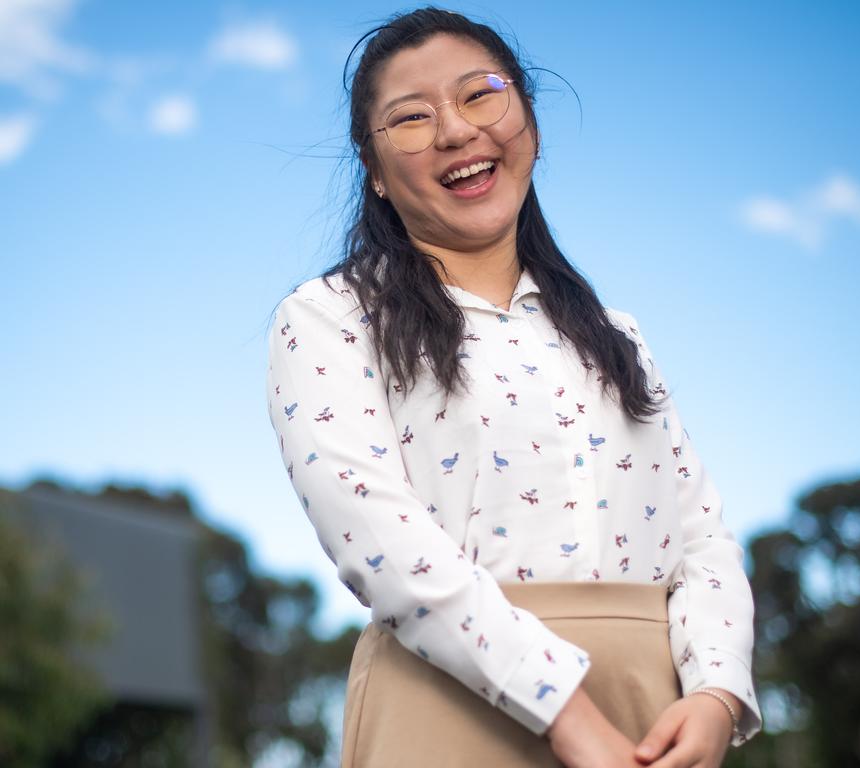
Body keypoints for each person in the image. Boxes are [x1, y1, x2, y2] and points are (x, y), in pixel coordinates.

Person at [265, 6, 762, 766]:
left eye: (480, 94)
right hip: (448, 707)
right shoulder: (329, 318)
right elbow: (382, 544)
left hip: (653, 717)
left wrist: (717, 695)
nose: (457, 131)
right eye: (410, 118)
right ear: (373, 169)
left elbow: (700, 536)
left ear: (527, 116)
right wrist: (565, 710)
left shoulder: (617, 335)